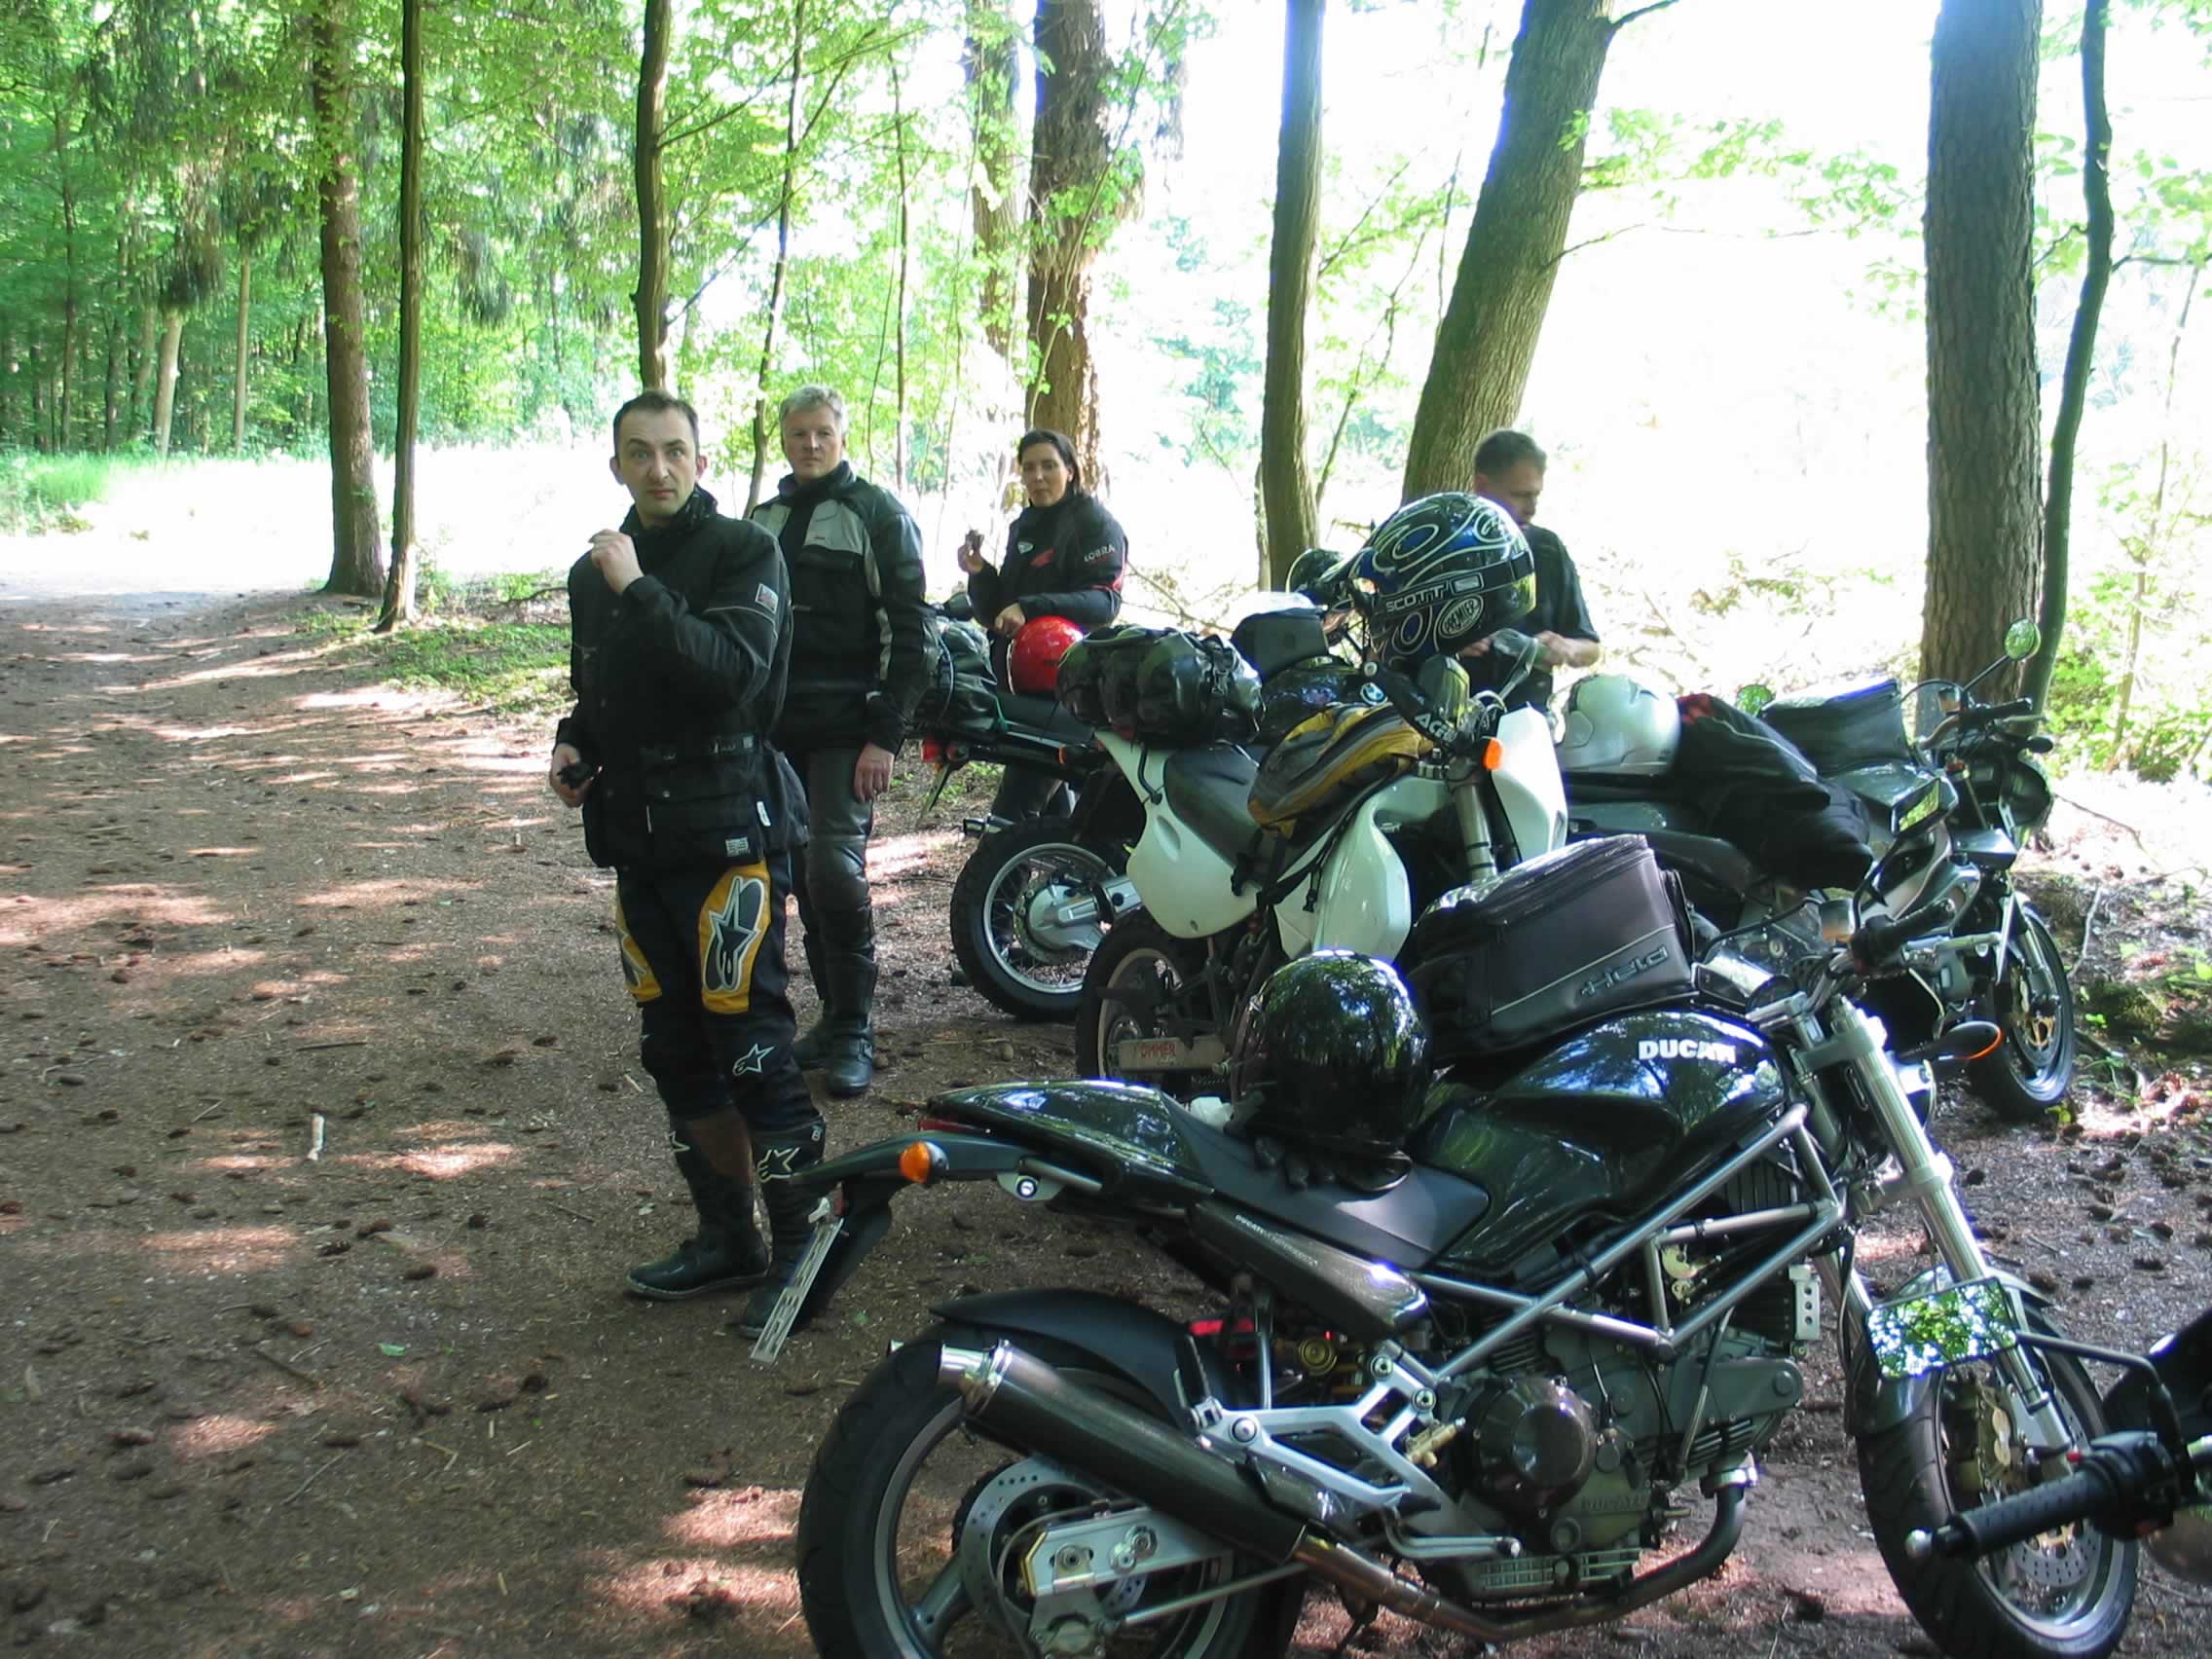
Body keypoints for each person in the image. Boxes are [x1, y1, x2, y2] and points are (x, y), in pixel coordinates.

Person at [549, 389, 824, 1339]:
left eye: (674, 451)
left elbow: (730, 676)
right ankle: (728, 1236)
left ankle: (801, 1251)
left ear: (701, 461)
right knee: (671, 1049)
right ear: (617, 466)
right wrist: (574, 742)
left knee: (751, 1044)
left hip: (730, 835)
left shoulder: (745, 552)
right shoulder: (595, 573)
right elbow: (598, 687)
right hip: (638, 842)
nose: (658, 468)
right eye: (639, 452)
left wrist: (640, 589)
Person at [750, 386, 930, 1100]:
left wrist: (886, 736)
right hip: (776, 733)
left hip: (849, 731)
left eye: (822, 432)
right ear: (783, 438)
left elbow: (911, 631)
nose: (811, 444)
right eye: (798, 433)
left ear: (842, 436)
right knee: (797, 876)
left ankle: (856, 1028)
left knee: (833, 870)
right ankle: (830, 1021)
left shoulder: (877, 514)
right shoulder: (764, 518)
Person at [955, 426, 1127, 819]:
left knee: (1012, 814)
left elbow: (1104, 602)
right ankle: (1067, 856)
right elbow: (1001, 613)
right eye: (1029, 468)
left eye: (1049, 466)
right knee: (1050, 815)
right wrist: (981, 574)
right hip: (1022, 685)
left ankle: (1006, 862)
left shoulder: (1094, 523)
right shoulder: (1026, 524)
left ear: (1070, 470)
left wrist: (1031, 608)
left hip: (1071, 689)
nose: (1038, 476)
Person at [1464, 428, 1601, 713]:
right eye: (1520, 496)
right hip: (1442, 713)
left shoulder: (1548, 549)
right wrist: (1443, 645)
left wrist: (1568, 648)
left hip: (1524, 718)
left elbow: (1591, 648)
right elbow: (1387, 642)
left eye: (1536, 496)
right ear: (1481, 486)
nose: (1531, 509)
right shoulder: (1441, 543)